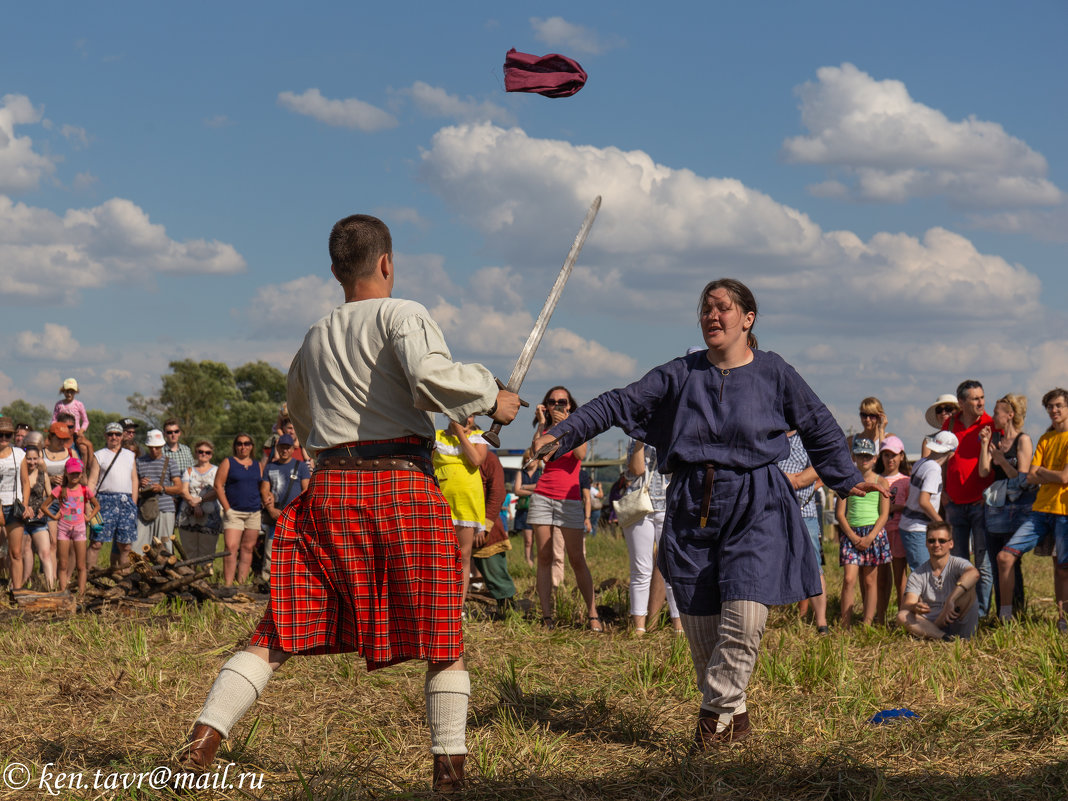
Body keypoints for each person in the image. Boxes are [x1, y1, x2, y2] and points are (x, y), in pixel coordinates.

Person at [176, 213, 519, 791]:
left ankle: (200, 745)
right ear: (386, 262)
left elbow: (303, 415)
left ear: (335, 270)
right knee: (443, 632)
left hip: (331, 488)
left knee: (278, 628)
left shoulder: (315, 335)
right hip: (404, 487)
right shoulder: (402, 313)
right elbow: (428, 375)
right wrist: (492, 397)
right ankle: (450, 775)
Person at [531, 279, 883, 747]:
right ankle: (733, 716)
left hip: (755, 500)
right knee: (701, 627)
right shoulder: (682, 372)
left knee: (744, 618)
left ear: (748, 318)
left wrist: (844, 477)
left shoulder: (774, 371)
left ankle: (708, 725)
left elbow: (818, 422)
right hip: (692, 502)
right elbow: (619, 402)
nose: (712, 316)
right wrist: (565, 432)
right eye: (706, 309)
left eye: (723, 308)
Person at [528, 386, 600, 631]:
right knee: (544, 557)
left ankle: (593, 614)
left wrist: (568, 425)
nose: (557, 405)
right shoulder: (545, 431)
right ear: (546, 406)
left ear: (570, 405)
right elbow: (535, 457)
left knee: (576, 558)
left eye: (562, 401)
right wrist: (540, 425)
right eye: (552, 401)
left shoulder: (578, 426)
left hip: (569, 499)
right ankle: (547, 617)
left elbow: (580, 454)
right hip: (543, 495)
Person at [996, 388, 1068, 629]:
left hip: (1064, 511)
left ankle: (1063, 620)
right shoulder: (1046, 439)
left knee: (1062, 568)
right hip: (1040, 509)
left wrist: (1044, 473)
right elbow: (1030, 477)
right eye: (1050, 406)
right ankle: (1005, 617)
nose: (1054, 410)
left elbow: (1064, 478)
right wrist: (1051, 475)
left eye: (1058, 405)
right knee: (1005, 556)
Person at [942, 380, 995, 618]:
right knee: (960, 562)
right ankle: (963, 610)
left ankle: (982, 613)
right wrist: (942, 490)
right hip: (954, 503)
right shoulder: (949, 423)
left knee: (983, 562)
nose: (981, 402)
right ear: (961, 403)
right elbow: (943, 457)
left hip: (980, 503)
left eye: (982, 397)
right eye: (975, 398)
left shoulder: (990, 424)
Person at [980, 394, 1034, 618]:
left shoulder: (1023, 440)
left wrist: (1002, 460)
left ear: (1010, 415)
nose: (993, 416)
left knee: (1011, 560)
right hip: (996, 507)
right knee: (995, 560)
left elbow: (1022, 478)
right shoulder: (997, 440)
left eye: (996, 412)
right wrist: (985, 446)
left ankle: (1016, 610)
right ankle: (1001, 610)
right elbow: (984, 472)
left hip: (1017, 508)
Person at [621, 439, 681, 635]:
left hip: (669, 503)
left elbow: (675, 465)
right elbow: (636, 470)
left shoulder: (675, 429)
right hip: (642, 506)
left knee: (673, 567)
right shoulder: (636, 435)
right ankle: (639, 626)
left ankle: (678, 625)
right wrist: (640, 440)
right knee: (641, 568)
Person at [835, 438, 890, 628]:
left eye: (867, 456)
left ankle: (867, 624)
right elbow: (840, 514)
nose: (864, 459)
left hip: (872, 533)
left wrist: (870, 537)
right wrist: (852, 536)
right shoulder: (847, 481)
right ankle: (845, 625)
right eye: (860, 455)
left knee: (869, 580)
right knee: (849, 579)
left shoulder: (881, 482)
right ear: (854, 457)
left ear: (874, 459)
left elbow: (884, 514)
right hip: (852, 533)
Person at [433, 416, 488, 604]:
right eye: (461, 414)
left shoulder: (478, 437)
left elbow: (476, 460)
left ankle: (459, 605)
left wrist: (459, 434)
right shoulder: (436, 436)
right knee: (439, 555)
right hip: (440, 501)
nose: (466, 418)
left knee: (463, 555)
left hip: (466, 504)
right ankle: (440, 603)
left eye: (471, 415)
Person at [778, 430, 829, 633]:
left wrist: (796, 479)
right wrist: (787, 478)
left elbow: (820, 467)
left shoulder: (808, 437)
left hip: (804, 510)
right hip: (773, 511)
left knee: (814, 565)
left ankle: (822, 623)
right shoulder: (770, 435)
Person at [896, 522, 980, 640]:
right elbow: (907, 603)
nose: (936, 544)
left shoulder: (958, 563)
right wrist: (915, 607)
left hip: (956, 618)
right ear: (926, 543)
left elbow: (974, 574)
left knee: (969, 591)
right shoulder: (917, 574)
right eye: (931, 541)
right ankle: (943, 638)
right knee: (902, 615)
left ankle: (938, 635)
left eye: (942, 541)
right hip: (930, 622)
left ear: (951, 544)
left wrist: (951, 600)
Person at [899, 431, 958, 571]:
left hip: (908, 524)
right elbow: (924, 501)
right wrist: (940, 523)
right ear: (951, 453)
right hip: (918, 527)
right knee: (922, 575)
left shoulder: (921, 462)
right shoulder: (934, 469)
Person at [88, 422, 140, 569]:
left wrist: (133, 502)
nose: (114, 437)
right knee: (96, 542)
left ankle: (124, 577)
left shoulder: (130, 455)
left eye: (117, 434)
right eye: (110, 434)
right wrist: (90, 503)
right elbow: (92, 481)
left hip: (126, 501)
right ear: (105, 435)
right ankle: (90, 576)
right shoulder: (99, 455)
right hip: (104, 501)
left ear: (122, 436)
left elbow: (134, 479)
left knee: (125, 544)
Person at [214, 434, 264, 585]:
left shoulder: (257, 465)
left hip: (253, 512)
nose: (243, 447)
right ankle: (228, 584)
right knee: (231, 547)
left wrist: (267, 498)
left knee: (248, 548)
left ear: (252, 446)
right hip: (234, 512)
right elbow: (218, 485)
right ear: (235, 446)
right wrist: (227, 509)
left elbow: (262, 487)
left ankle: (241, 584)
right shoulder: (228, 462)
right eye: (240, 444)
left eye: (247, 443)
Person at [472, 450, 517, 617]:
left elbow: (498, 492)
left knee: (495, 571)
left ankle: (508, 610)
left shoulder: (488, 458)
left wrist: (484, 525)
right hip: (453, 521)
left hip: (484, 524)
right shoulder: (447, 454)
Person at [259, 434, 310, 579]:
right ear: (277, 448)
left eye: (287, 447)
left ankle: (293, 579)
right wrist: (271, 510)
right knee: (271, 549)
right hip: (275, 515)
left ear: (293, 449)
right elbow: (264, 490)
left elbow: (306, 490)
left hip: (295, 515)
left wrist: (297, 511)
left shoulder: (301, 466)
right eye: (282, 447)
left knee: (295, 549)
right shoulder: (270, 467)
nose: (284, 450)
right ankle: (267, 580)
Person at [45, 457, 98, 595]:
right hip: (63, 528)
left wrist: (89, 517)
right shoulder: (60, 489)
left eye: (77, 473)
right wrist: (54, 516)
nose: (74, 476)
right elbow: (44, 506)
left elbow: (97, 506)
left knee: (81, 565)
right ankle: (63, 593)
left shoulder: (84, 489)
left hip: (79, 528)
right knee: (62, 564)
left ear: (81, 474)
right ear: (66, 474)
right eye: (71, 473)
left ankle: (81, 594)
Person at [877, 435, 911, 610]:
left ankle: (902, 615)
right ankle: (880, 618)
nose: (890, 459)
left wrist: (895, 507)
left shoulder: (906, 480)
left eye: (894, 455)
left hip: (898, 531)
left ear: (901, 456)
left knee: (900, 578)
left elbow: (912, 507)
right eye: (886, 455)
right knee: (881, 579)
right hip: (880, 533)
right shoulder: (875, 480)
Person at [135, 430, 183, 555]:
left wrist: (162, 488)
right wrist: (140, 483)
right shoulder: (139, 462)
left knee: (164, 545)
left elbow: (179, 487)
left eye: (157, 447)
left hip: (165, 508)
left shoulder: (170, 462)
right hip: (145, 508)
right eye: (151, 447)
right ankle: (139, 572)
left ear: (162, 446)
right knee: (138, 546)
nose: (154, 450)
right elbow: (131, 484)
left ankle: (166, 573)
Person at [19, 444, 57, 590]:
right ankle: (23, 583)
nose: (32, 462)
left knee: (45, 553)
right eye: (29, 459)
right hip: (21, 518)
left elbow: (50, 495)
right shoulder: (19, 475)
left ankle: (50, 587)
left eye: (35, 459)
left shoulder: (43, 475)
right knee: (25, 552)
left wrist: (44, 508)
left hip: (39, 519)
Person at [178, 440, 223, 563]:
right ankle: (189, 577)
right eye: (201, 451)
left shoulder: (217, 471)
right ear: (196, 453)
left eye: (207, 452)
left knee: (207, 552)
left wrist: (201, 500)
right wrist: (193, 503)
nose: (204, 454)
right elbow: (184, 490)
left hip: (210, 517)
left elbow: (217, 490)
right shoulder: (189, 471)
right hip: (188, 515)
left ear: (211, 455)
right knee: (189, 551)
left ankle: (205, 579)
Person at [0, 417, 27, 587]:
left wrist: (26, 504)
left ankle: (17, 590)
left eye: (7, 435)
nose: (3, 438)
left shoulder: (19, 454)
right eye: (0, 435)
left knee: (16, 552)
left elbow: (26, 482)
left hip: (15, 506)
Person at [513, 451, 542, 566]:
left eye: (531, 458)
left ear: (537, 460)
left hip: (539, 509)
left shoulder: (541, 472)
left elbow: (541, 487)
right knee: (528, 541)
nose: (528, 460)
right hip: (524, 510)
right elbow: (516, 490)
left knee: (541, 541)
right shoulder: (521, 473)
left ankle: (541, 564)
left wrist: (524, 487)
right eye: (526, 458)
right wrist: (534, 490)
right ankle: (529, 564)